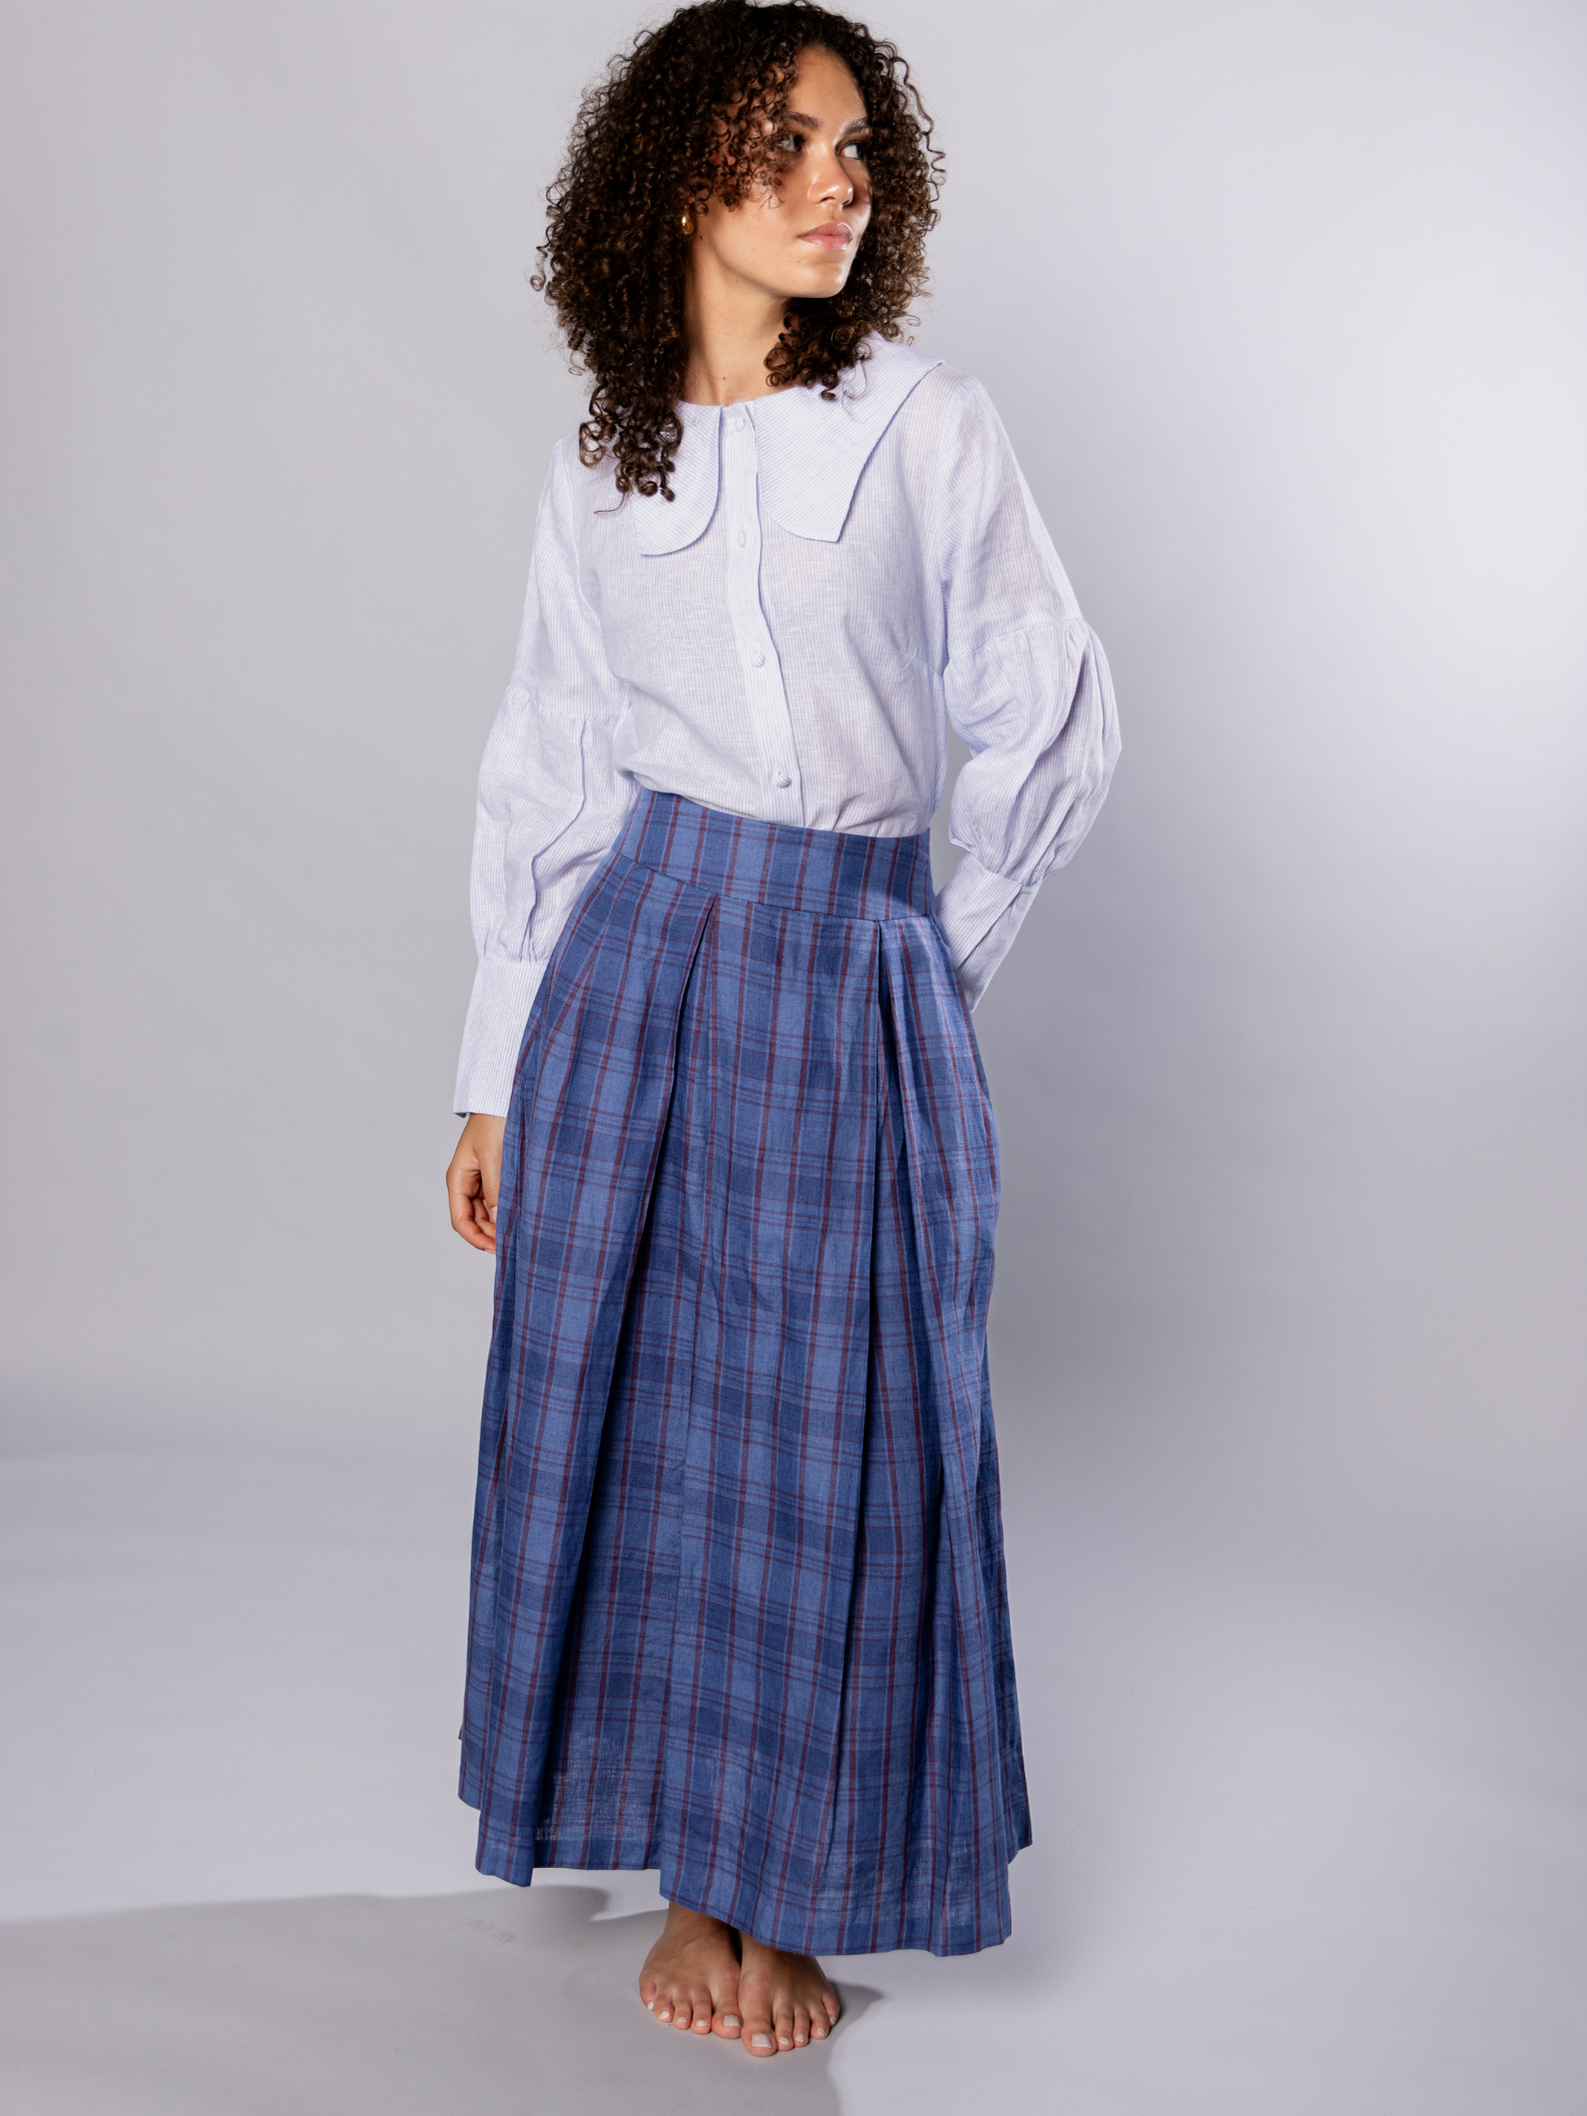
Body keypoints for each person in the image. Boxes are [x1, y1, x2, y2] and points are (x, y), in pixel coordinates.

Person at [444, 0, 1119, 2061]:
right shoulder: (602, 452)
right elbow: (553, 757)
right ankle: (691, 1885)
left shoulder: (924, 425)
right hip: (634, 959)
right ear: (679, 176)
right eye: (789, 143)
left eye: (856, 150)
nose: (840, 185)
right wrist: (489, 1073)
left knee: (830, 1430)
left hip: (845, 958)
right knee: (646, 1413)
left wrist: (923, 960)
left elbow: (1049, 719)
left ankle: (793, 1887)